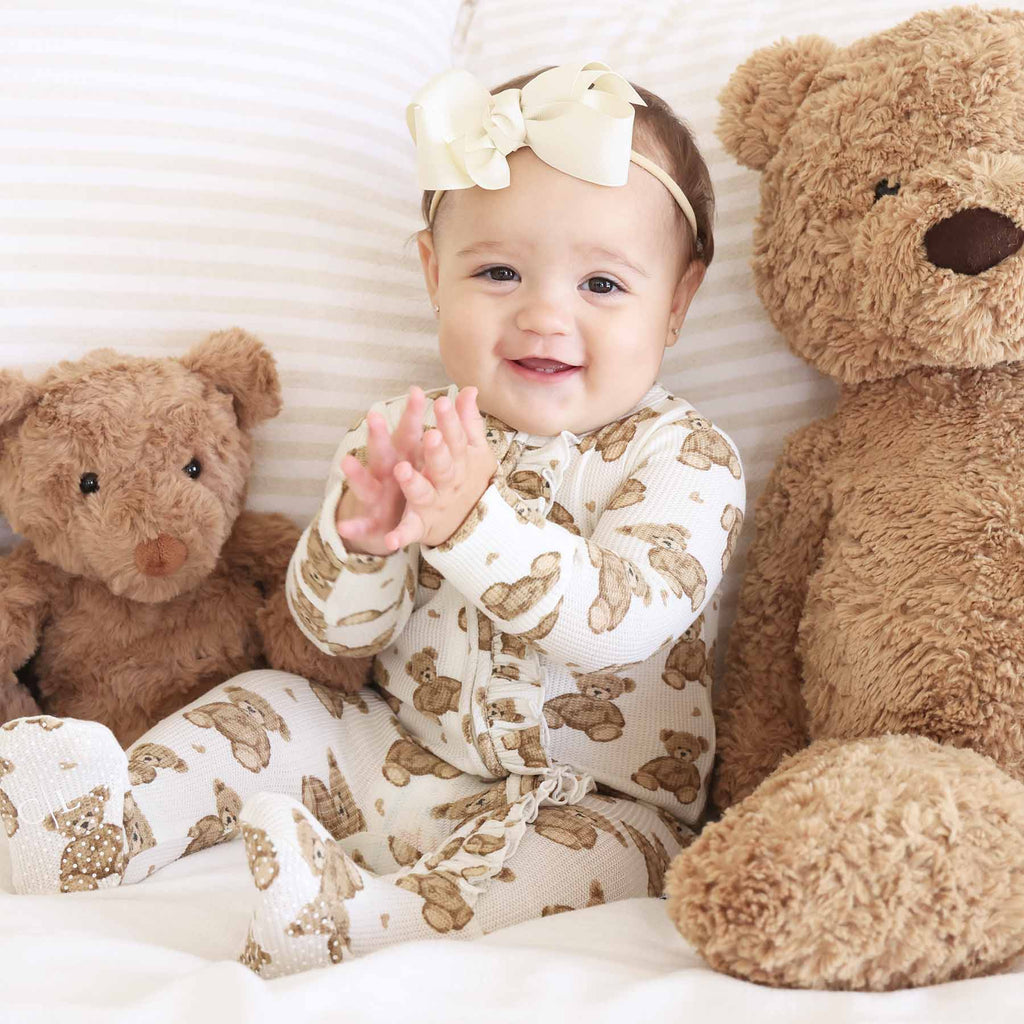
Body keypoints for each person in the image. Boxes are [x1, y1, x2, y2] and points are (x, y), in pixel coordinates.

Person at [0, 61, 745, 979]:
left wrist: (472, 525)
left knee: (597, 857)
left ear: (676, 302)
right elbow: (335, 637)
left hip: (589, 799)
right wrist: (355, 542)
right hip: (397, 760)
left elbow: (619, 623)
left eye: (601, 284)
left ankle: (361, 922)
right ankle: (99, 830)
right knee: (270, 704)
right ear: (435, 275)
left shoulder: (686, 458)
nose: (544, 315)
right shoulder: (402, 433)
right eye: (499, 272)